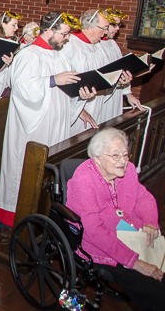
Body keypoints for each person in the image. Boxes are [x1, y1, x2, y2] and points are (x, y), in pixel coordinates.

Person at [0, 11, 98, 233]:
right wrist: (52, 80)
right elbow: (21, 88)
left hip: (55, 120)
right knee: (23, 169)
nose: (67, 38)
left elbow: (66, 91)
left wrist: (81, 96)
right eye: (64, 34)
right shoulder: (28, 55)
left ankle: (42, 213)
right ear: (49, 31)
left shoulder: (60, 56)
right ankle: (11, 216)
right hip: (32, 125)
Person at [66, 128, 165, 310]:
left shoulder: (128, 171)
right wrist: (135, 262)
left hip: (131, 234)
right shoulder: (84, 181)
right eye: (115, 155)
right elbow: (94, 231)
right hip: (102, 245)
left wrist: (150, 221)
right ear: (97, 158)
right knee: (154, 287)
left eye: (125, 155)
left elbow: (143, 197)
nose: (123, 161)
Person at [62, 9, 118, 135]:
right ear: (89, 26)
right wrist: (79, 110)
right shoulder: (69, 44)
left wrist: (118, 80)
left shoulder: (99, 47)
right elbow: (62, 82)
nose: (105, 33)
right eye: (103, 28)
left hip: (96, 104)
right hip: (75, 108)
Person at [98, 7, 143, 122]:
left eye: (118, 25)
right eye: (115, 25)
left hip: (115, 96)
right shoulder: (95, 45)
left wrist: (128, 94)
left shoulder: (112, 44)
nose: (118, 29)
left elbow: (120, 69)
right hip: (100, 98)